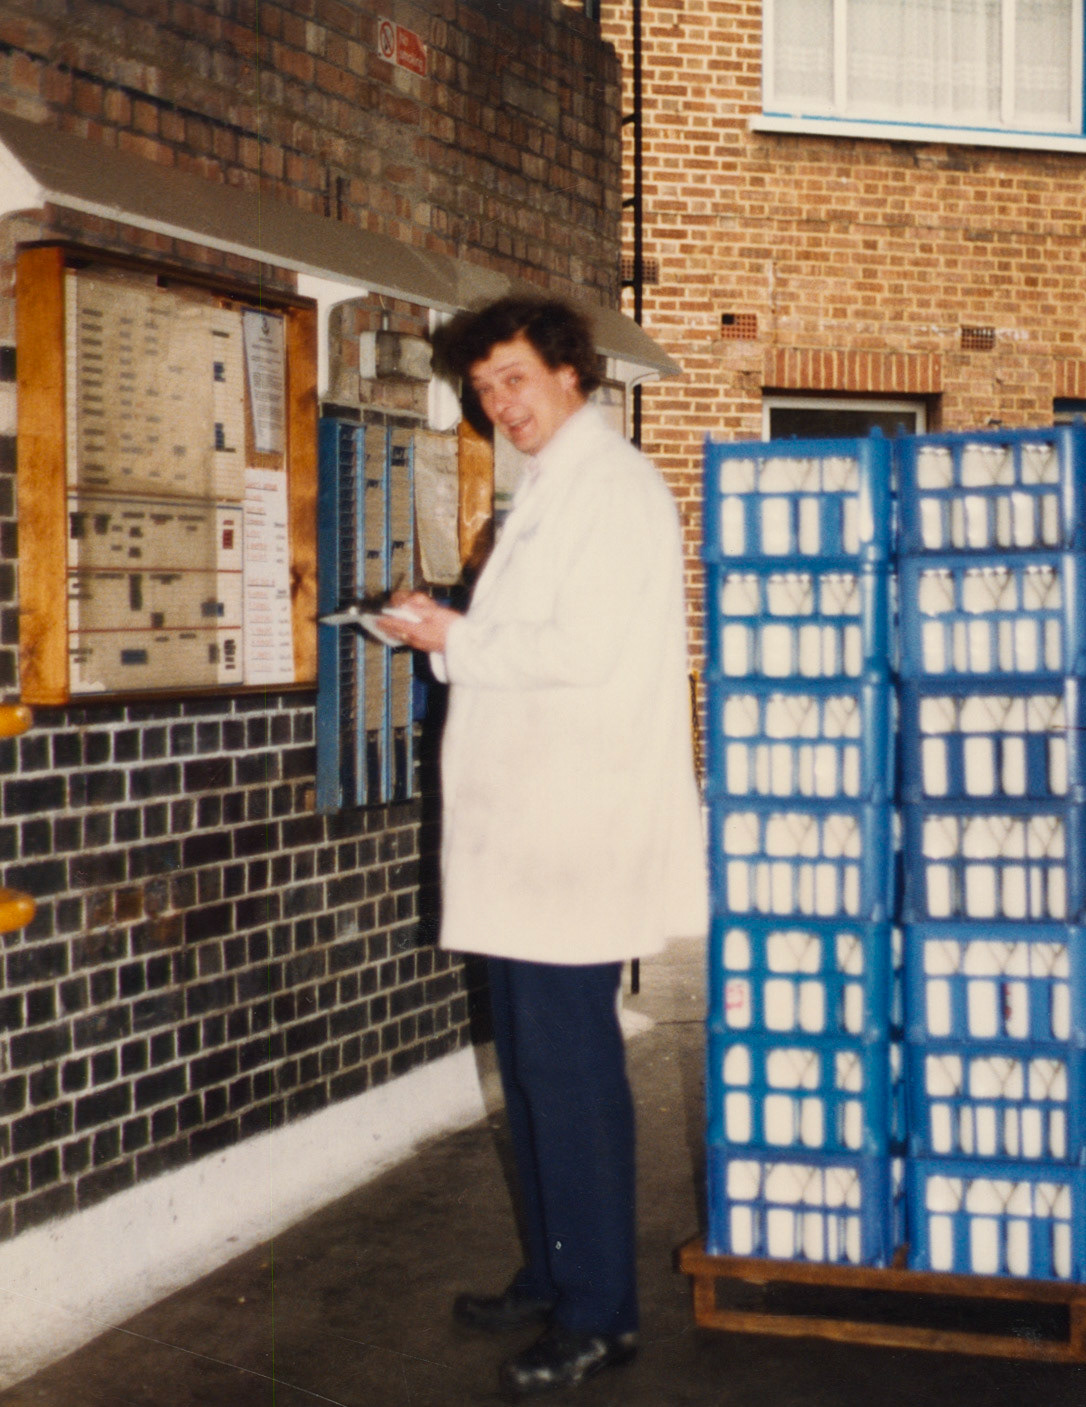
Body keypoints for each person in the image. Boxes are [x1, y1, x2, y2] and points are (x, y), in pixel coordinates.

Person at [379, 296, 707, 1398]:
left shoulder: (609, 489)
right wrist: (447, 626)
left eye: (513, 379)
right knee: (531, 1069)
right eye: (481, 390)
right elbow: (526, 635)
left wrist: (451, 635)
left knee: (566, 1076)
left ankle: (599, 1313)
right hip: (530, 833)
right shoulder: (555, 488)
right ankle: (555, 1271)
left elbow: (579, 646)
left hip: (570, 833)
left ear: (570, 372)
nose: (498, 406)